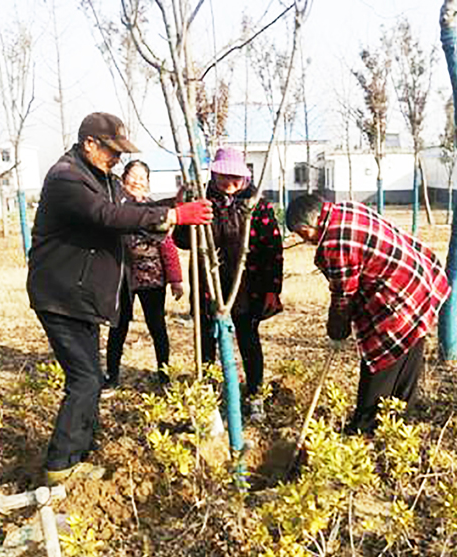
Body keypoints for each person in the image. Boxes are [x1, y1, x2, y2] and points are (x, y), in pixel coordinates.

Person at [27, 112, 213, 486]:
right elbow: (106, 215)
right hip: (60, 296)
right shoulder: (67, 178)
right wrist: (175, 214)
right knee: (85, 380)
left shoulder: (103, 179)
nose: (118, 160)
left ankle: (80, 455)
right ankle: (59, 467)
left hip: (80, 297)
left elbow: (133, 206)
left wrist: (176, 204)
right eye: (113, 151)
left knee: (90, 378)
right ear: (89, 144)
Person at [285, 194, 451, 435]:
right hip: (420, 283)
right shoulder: (345, 209)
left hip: (399, 297)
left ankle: (364, 431)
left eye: (302, 235)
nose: (304, 240)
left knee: (379, 363)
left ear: (307, 226)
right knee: (408, 354)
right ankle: (401, 424)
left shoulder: (335, 241)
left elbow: (343, 296)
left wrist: (337, 330)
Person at [174, 147, 283, 421]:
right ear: (214, 173)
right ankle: (209, 401)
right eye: (224, 178)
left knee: (248, 341)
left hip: (247, 284)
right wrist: (184, 214)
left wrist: (273, 288)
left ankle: (255, 395)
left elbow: (273, 248)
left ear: (245, 178)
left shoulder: (257, 204)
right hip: (208, 284)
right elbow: (182, 242)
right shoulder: (201, 200)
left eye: (236, 179)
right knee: (206, 344)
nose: (230, 185)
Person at [105, 160, 184, 389]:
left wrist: (176, 279)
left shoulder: (156, 210)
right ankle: (111, 377)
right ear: (123, 178)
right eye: (133, 176)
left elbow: (167, 246)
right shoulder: (114, 209)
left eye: (143, 177)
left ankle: (164, 376)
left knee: (157, 327)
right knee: (117, 328)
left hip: (152, 279)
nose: (137, 181)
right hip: (122, 278)